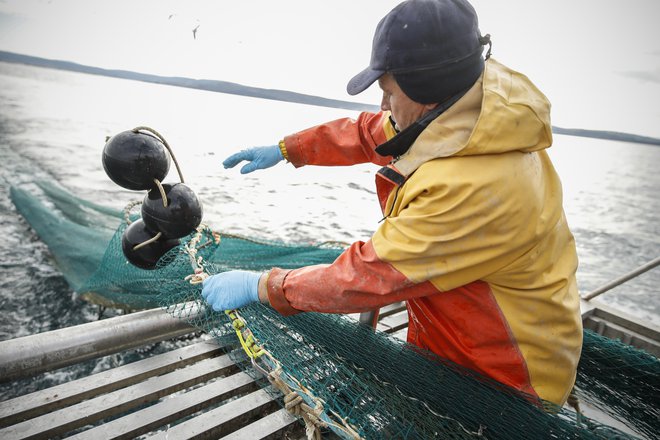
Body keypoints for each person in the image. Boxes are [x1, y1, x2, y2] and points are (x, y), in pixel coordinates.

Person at [202, 0, 583, 407]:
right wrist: (288, 149)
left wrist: (263, 286)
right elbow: (372, 133)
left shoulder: (476, 188)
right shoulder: (468, 112)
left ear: (427, 91)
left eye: (387, 92)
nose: (383, 105)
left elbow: (365, 277)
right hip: (472, 331)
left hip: (502, 379)